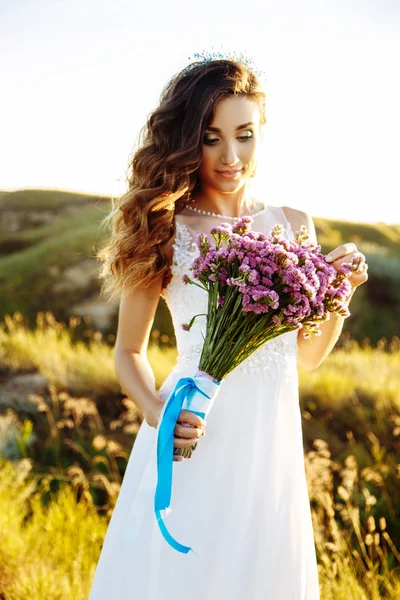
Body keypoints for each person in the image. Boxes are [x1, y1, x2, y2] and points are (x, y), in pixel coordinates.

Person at [89, 54, 368, 599]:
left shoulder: (294, 225)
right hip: (192, 430)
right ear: (187, 140)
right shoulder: (166, 226)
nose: (230, 155)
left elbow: (306, 357)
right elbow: (129, 352)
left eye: (244, 135)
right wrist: (158, 417)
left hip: (271, 436)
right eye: (211, 138)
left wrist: (340, 295)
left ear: (262, 133)